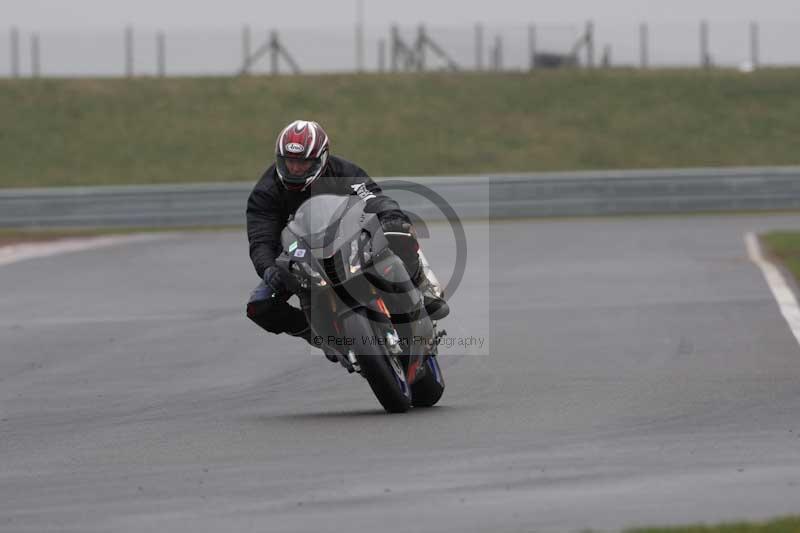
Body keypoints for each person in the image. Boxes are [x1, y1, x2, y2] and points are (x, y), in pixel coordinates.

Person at [245, 119, 448, 356]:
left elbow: (373, 197)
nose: (296, 169)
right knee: (259, 306)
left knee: (397, 230)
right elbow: (261, 239)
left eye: (303, 163)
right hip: (301, 255)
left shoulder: (343, 171)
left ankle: (422, 286)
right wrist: (269, 269)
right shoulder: (266, 192)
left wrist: (391, 216)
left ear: (321, 158)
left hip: (350, 238)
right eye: (289, 162)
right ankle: (317, 334)